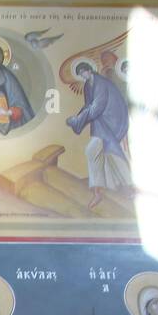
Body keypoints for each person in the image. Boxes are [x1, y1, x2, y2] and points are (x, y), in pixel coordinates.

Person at [66, 60, 131, 210]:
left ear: (89, 70)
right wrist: (78, 118)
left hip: (111, 122)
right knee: (106, 153)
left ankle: (118, 187)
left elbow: (97, 107)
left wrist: (78, 121)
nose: (83, 75)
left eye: (84, 72)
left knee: (101, 151)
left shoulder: (100, 83)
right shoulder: (88, 85)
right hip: (101, 124)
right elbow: (88, 106)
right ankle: (102, 189)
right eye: (80, 74)